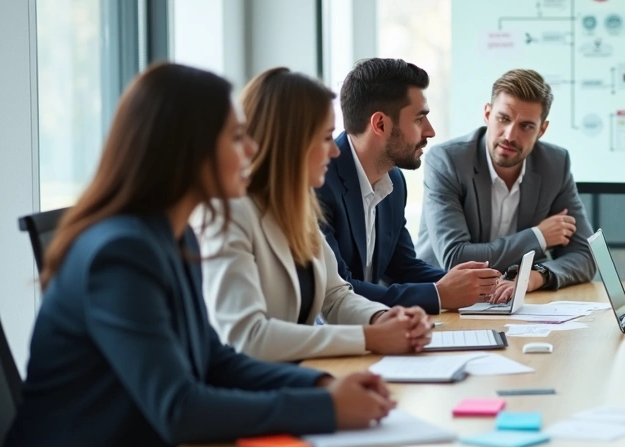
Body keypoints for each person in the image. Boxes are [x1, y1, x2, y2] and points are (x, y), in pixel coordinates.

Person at [0, 63, 396, 447]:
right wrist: (323, 407)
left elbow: (214, 359)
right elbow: (179, 408)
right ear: (187, 150)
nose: (252, 149)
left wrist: (321, 384)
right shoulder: (121, 253)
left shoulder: (174, 235)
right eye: (236, 137)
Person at [195, 67, 432, 362]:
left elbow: (336, 296)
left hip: (299, 375)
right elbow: (247, 337)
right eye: (326, 138)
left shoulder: (298, 207)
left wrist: (382, 318)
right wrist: (370, 337)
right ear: (290, 143)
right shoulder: (230, 215)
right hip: (258, 383)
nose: (335, 152)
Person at [315, 58, 501, 313]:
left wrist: (479, 285)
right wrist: (439, 294)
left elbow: (402, 267)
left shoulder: (393, 180)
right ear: (380, 124)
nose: (430, 131)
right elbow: (339, 290)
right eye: (419, 119)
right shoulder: (319, 183)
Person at [416, 68, 594, 300]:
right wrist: (539, 236)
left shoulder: (554, 164)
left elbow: (585, 256)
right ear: (487, 114)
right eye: (503, 119)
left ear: (542, 130)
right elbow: (456, 258)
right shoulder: (447, 161)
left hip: (514, 300)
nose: (510, 135)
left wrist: (535, 276)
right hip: (445, 299)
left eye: (526, 126)